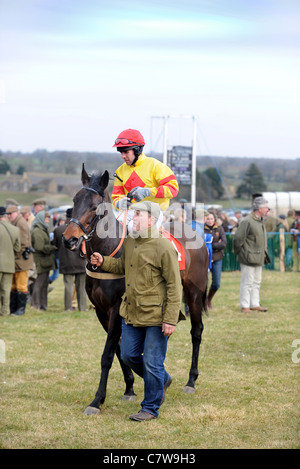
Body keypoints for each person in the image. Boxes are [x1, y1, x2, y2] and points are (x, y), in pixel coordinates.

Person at [90, 201, 182, 421]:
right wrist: (104, 261)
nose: (132, 218)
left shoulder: (163, 246)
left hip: (157, 316)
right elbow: (122, 266)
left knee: (152, 361)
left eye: (137, 214)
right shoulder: (130, 242)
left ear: (150, 219)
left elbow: (174, 285)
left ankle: (150, 408)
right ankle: (162, 379)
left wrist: (170, 319)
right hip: (131, 311)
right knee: (128, 355)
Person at [111, 128, 179, 230]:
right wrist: (119, 203)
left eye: (125, 152)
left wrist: (148, 192)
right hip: (130, 212)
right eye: (120, 152)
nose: (123, 156)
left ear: (137, 149)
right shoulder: (120, 171)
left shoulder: (156, 166)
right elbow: (116, 197)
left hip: (154, 212)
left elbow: (173, 189)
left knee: (134, 228)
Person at [233, 197, 270, 313]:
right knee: (247, 282)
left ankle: (255, 304)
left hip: (258, 257)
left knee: (256, 282)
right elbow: (238, 239)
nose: (267, 210)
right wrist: (241, 252)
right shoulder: (247, 221)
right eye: (265, 208)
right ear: (259, 209)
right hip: (248, 257)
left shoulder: (260, 220)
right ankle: (245, 306)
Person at [53, 209, 87, 311]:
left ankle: (68, 308)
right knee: (81, 286)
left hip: (66, 262)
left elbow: (55, 245)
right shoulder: (81, 230)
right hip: (80, 262)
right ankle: (82, 307)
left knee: (68, 286)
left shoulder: (58, 230)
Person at [6, 205, 34, 316]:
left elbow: (23, 244)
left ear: (16, 213)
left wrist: (14, 255)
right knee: (13, 285)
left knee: (21, 286)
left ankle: (20, 310)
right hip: (17, 260)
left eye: (10, 214)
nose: (9, 216)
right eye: (7, 214)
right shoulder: (16, 222)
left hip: (21, 259)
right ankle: (13, 308)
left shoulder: (20, 223)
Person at [31, 210, 57, 311]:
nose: (47, 220)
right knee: (39, 283)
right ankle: (35, 304)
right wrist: (52, 247)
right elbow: (39, 247)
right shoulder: (37, 231)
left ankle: (42, 304)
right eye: (46, 218)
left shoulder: (42, 229)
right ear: (41, 219)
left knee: (44, 283)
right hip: (40, 260)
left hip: (45, 260)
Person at [0, 207, 21, 317]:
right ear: (5, 216)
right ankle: (5, 311)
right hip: (9, 263)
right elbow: (17, 249)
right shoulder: (15, 229)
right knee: (6, 289)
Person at [204, 211, 227, 309]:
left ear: (215, 219)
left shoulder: (219, 228)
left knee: (216, 283)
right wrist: (217, 244)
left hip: (217, 258)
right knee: (204, 282)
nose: (209, 221)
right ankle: (203, 301)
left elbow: (224, 243)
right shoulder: (201, 229)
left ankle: (209, 300)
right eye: (208, 219)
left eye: (211, 219)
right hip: (204, 259)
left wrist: (211, 245)